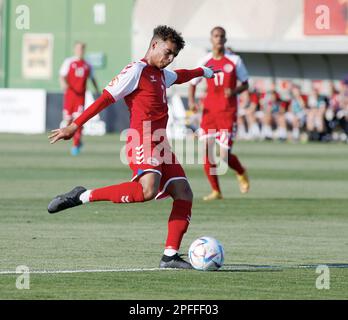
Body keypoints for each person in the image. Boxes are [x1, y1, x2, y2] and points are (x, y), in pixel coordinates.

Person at [48, 25, 217, 269]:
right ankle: (82, 195)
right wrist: (75, 126)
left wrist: (203, 71)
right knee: (147, 191)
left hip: (161, 142)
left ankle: (169, 256)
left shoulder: (161, 74)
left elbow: (180, 75)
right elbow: (105, 98)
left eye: (173, 56)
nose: (169, 59)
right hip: (142, 139)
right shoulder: (135, 70)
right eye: (167, 52)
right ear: (154, 45)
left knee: (184, 194)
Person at [188, 26, 250, 201]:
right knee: (207, 153)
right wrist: (192, 101)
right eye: (216, 36)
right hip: (209, 113)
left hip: (227, 113)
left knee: (223, 155)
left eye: (222, 36)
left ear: (225, 39)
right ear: (211, 39)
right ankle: (216, 191)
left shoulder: (235, 60)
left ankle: (241, 171)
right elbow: (193, 82)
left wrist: (235, 90)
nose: (219, 39)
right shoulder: (205, 60)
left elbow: (246, 83)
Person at [59, 42, 100, 156]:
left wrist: (97, 91)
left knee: (78, 121)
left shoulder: (87, 65)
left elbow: (92, 78)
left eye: (82, 49)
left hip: (80, 97)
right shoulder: (69, 62)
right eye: (78, 48)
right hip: (69, 95)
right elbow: (62, 75)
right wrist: (63, 84)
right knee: (68, 120)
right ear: (74, 49)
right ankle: (77, 141)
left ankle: (76, 145)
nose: (80, 51)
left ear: (84, 50)